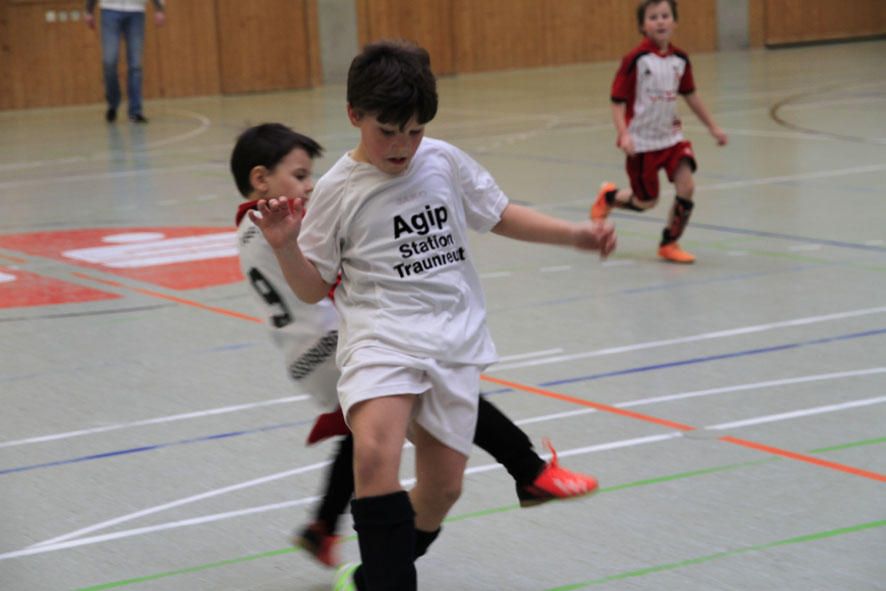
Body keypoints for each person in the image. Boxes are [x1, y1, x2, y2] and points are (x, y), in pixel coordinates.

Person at [249, 40, 616, 591]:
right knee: (374, 455)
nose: (402, 146)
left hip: (452, 341)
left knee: (443, 489)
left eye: (415, 131)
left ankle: (375, 574)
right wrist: (285, 246)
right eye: (387, 131)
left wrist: (575, 235)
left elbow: (499, 214)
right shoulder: (336, 192)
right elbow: (311, 287)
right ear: (354, 115)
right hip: (381, 338)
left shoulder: (442, 161)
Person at [591, 0, 728, 264]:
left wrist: (713, 127)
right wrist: (624, 134)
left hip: (672, 138)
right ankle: (608, 197)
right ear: (642, 26)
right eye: (653, 17)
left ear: (674, 22)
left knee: (687, 186)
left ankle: (669, 242)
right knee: (646, 202)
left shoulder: (680, 60)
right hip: (642, 143)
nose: (661, 21)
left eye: (665, 16)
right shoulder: (635, 60)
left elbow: (691, 95)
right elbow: (617, 101)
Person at [84, 0, 166, 123]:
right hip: (109, 10)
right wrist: (89, 10)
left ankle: (135, 111)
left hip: (136, 11)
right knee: (109, 62)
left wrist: (159, 8)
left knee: (135, 65)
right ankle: (113, 104)